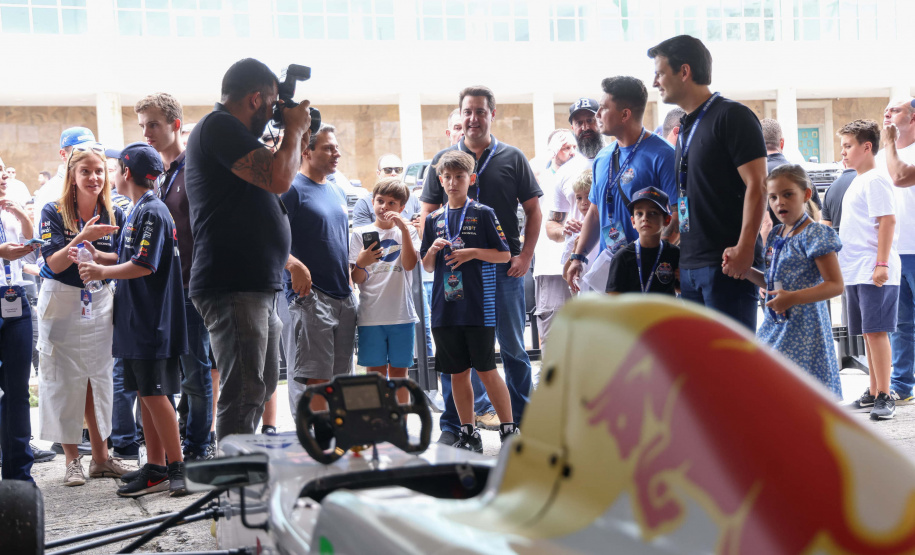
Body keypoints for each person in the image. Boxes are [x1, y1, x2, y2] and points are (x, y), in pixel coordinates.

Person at [185, 58, 311, 440]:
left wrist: (297, 134)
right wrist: (295, 128)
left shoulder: (233, 136)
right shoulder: (219, 126)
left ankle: (243, 480)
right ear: (255, 98)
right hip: (232, 282)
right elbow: (278, 178)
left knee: (259, 385)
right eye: (273, 103)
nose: (275, 111)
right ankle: (234, 492)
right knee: (244, 391)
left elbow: (280, 172)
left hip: (253, 283)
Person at [419, 86, 542, 444]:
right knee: (455, 355)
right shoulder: (443, 160)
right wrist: (432, 253)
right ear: (460, 115)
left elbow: (534, 211)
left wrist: (525, 256)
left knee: (513, 349)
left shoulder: (512, 157)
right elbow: (428, 212)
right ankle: (456, 427)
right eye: (467, 112)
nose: (473, 119)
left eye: (480, 112)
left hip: (503, 270)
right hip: (456, 274)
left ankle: (521, 424)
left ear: (492, 114)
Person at [78, 142, 189, 497]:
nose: (110, 174)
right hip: (139, 320)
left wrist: (97, 269)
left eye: (112, 168)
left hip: (152, 322)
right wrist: (103, 256)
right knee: (146, 395)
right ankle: (155, 467)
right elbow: (131, 255)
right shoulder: (140, 209)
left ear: (126, 173)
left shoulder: (152, 212)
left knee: (157, 396)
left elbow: (144, 265)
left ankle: (178, 468)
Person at [648, 35, 767, 331]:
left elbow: (758, 185)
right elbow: (690, 195)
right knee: (701, 368)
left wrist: (745, 248)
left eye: (660, 73)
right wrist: (667, 246)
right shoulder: (685, 127)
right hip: (689, 266)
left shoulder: (732, 116)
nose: (655, 82)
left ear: (684, 71)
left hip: (728, 264)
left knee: (732, 366)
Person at [37, 143, 130, 486]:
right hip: (61, 300)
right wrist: (83, 237)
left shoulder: (115, 211)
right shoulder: (53, 210)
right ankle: (73, 459)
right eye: (85, 171)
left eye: (99, 171)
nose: (94, 177)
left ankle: (102, 458)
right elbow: (54, 262)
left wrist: (98, 258)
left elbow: (121, 258)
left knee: (99, 378)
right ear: (73, 176)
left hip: (99, 300)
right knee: (63, 380)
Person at [135, 92, 214, 461]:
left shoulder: (195, 169)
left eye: (153, 124)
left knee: (196, 374)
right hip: (164, 290)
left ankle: (199, 447)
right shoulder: (157, 177)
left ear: (175, 124)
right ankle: (177, 444)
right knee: (171, 375)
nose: (146, 132)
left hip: (194, 288)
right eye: (143, 126)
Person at [420, 150, 516, 451]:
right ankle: (467, 430)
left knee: (486, 369)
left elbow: (504, 255)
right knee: (456, 373)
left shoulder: (483, 213)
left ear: (470, 179)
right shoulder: (433, 219)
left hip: (478, 306)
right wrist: (433, 250)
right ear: (440, 180)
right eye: (447, 177)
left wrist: (473, 252)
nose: (452, 182)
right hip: (445, 308)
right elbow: (427, 266)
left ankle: (508, 429)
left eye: (459, 177)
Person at [565, 76, 678, 293]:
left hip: (648, 275)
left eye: (603, 108)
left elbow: (679, 215)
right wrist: (578, 256)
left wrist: (657, 262)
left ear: (625, 114)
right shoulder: (603, 157)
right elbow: (595, 213)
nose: (597, 115)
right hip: (609, 269)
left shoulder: (663, 155)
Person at [743, 165, 844, 397]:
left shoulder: (815, 234)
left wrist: (793, 298)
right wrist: (746, 271)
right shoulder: (777, 233)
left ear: (806, 195)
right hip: (776, 324)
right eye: (774, 197)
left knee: (798, 395)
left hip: (805, 329)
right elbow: (771, 283)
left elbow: (836, 285)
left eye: (788, 194)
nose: (780, 202)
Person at [281, 125, 356, 413]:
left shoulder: (336, 189)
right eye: (328, 148)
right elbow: (266, 238)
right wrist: (292, 263)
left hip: (344, 298)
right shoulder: (291, 190)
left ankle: (336, 444)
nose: (336, 153)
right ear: (306, 151)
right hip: (312, 298)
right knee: (314, 382)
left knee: (341, 384)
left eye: (336, 147)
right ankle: (312, 446)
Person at [837, 120, 900, 419]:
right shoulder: (857, 180)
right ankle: (873, 392)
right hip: (855, 269)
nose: (843, 153)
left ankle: (886, 395)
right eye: (842, 147)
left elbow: (887, 220)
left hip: (874, 268)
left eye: (848, 146)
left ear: (867, 147)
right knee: (866, 333)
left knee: (876, 333)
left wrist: (882, 263)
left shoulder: (875, 179)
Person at [349, 178, 420, 402]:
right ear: (372, 202)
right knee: (375, 377)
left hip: (402, 316)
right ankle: (377, 429)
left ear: (402, 208)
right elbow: (356, 278)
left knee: (400, 376)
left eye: (392, 203)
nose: (385, 207)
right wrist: (361, 261)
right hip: (371, 316)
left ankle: (400, 430)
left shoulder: (408, 232)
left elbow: (409, 265)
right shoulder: (360, 233)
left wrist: (405, 230)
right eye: (380, 201)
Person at [0, 155, 42, 481]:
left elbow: (29, 246)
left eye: (2, 172)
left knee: (17, 391)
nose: (2, 178)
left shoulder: (7, 209)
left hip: (14, 301)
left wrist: (20, 216)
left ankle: (20, 476)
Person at [879, 97, 915, 406]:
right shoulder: (880, 156)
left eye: (897, 109)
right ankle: (902, 386)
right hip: (894, 252)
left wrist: (889, 144)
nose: (888, 113)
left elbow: (900, 177)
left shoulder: (890, 154)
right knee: (901, 324)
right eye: (887, 109)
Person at [547, 98, 604, 273]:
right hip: (581, 265)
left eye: (590, 120)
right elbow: (551, 226)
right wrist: (564, 229)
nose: (585, 127)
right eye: (579, 122)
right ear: (573, 128)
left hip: (617, 257)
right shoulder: (565, 171)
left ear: (601, 121)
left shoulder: (617, 158)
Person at [532, 128, 575, 347]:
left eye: (574, 147)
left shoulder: (581, 172)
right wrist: (548, 154)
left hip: (580, 263)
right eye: (565, 148)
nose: (571, 152)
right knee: (552, 334)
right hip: (550, 266)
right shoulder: (541, 176)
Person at [605, 186, 680, 296]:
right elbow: (613, 299)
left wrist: (684, 280)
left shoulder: (675, 253)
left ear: (667, 220)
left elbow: (680, 289)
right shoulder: (622, 257)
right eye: (639, 213)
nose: (645, 218)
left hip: (666, 313)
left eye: (653, 212)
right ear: (633, 221)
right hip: (632, 313)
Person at [34, 127, 97, 235]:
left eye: (94, 149)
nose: (89, 154)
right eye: (81, 151)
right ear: (63, 154)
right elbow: (43, 237)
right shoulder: (49, 191)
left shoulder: (98, 182)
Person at [351, 153, 421, 227]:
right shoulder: (364, 203)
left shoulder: (413, 199)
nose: (393, 173)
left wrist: (419, 225)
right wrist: (396, 227)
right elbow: (360, 235)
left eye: (398, 170)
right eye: (388, 170)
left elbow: (421, 234)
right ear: (378, 173)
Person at [820, 164, 857, 229]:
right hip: (861, 236)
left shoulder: (830, 188)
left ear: (843, 163)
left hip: (838, 237)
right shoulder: (866, 181)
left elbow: (825, 225)